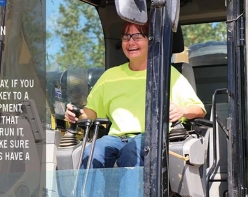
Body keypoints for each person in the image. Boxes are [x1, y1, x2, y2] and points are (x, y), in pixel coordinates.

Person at [65, 21, 206, 169]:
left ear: (150, 40)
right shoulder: (110, 76)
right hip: (115, 138)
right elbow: (91, 112)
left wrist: (181, 110)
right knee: (93, 151)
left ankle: (133, 193)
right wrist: (76, 114)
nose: (131, 42)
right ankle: (90, 193)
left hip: (152, 137)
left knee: (132, 150)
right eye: (126, 37)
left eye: (137, 36)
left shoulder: (168, 74)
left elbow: (199, 110)